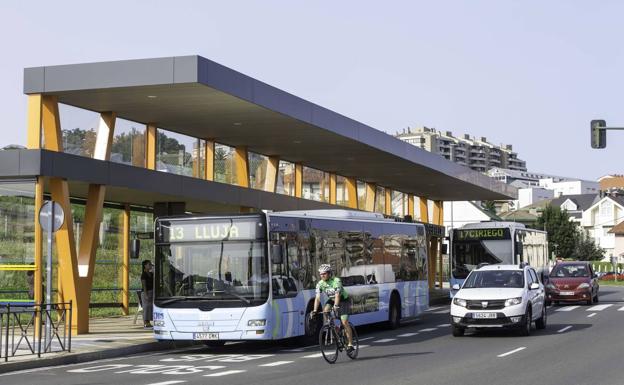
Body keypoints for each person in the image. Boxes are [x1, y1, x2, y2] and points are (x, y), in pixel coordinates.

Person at [310, 264, 354, 352]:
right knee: (325, 311)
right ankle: (334, 327)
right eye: (321, 274)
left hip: (343, 300)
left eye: (324, 274)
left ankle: (350, 344)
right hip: (332, 300)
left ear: (329, 274)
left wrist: (336, 306)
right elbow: (317, 298)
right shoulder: (320, 284)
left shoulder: (336, 281)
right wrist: (315, 310)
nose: (322, 275)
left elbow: (337, 295)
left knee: (344, 321)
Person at [141, 260, 154, 328]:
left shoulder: (151, 274)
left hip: (152, 292)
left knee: (150, 307)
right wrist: (146, 294)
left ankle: (149, 322)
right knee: (146, 307)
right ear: (145, 266)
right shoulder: (144, 274)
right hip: (146, 292)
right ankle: (146, 322)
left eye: (151, 264)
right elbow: (144, 285)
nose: (151, 265)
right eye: (149, 264)